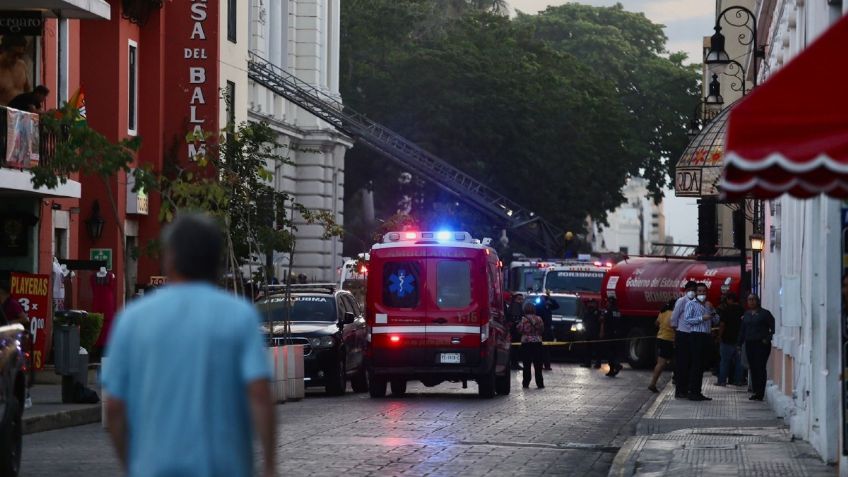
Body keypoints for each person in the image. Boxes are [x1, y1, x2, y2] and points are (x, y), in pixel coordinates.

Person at [102, 214, 276, 477]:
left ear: (170, 258)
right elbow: (260, 393)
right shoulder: (239, 315)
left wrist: (130, 466)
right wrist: (270, 466)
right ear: (215, 261)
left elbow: (114, 406)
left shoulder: (132, 318)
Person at [682, 283, 719, 401]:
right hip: (696, 335)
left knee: (702, 365)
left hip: (706, 336)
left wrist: (713, 313)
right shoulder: (691, 304)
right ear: (696, 293)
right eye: (699, 291)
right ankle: (692, 391)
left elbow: (716, 320)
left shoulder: (708, 305)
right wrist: (701, 318)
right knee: (696, 364)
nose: (702, 293)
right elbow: (687, 320)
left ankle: (698, 391)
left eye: (704, 291)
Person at [738, 294, 775, 401]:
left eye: (753, 299)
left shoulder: (765, 314)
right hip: (750, 343)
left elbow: (773, 327)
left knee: (760, 367)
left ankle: (760, 393)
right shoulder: (747, 314)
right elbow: (743, 330)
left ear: (757, 301)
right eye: (749, 300)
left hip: (761, 344)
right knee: (753, 367)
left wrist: (767, 338)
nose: (751, 302)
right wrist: (739, 344)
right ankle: (755, 391)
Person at [672, 280, 697, 398]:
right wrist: (676, 334)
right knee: (682, 364)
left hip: (693, 335)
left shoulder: (697, 303)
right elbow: (674, 318)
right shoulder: (681, 301)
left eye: (694, 290)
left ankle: (687, 388)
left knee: (690, 363)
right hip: (682, 334)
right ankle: (680, 390)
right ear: (686, 291)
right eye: (690, 290)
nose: (692, 292)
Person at [716, 292, 745, 386]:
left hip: (726, 339)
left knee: (725, 362)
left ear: (729, 300)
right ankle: (738, 381)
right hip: (739, 340)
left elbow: (722, 324)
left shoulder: (726, 310)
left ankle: (722, 381)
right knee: (739, 362)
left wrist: (719, 336)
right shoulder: (742, 310)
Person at [648, 300, 676, 393]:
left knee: (661, 363)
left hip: (660, 338)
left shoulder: (663, 312)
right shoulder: (674, 314)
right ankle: (675, 379)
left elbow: (656, 323)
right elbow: (674, 326)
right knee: (667, 362)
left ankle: (653, 383)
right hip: (669, 340)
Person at [517, 301, 545, 388]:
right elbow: (542, 330)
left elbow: (519, 329)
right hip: (537, 342)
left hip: (526, 343)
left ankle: (526, 383)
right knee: (538, 364)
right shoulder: (539, 319)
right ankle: (540, 383)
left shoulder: (523, 319)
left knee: (526, 364)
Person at [0, 35, 31, 105]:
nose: (16, 58)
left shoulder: (22, 65)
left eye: (20, 55)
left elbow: (27, 90)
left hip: (20, 113)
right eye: (14, 54)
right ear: (3, 49)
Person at [535, 290, 559, 370]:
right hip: (540, 329)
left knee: (546, 348)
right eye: (543, 298)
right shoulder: (539, 306)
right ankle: (540, 364)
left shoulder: (548, 306)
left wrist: (550, 298)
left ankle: (547, 365)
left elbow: (557, 306)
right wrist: (543, 301)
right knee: (541, 348)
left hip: (547, 329)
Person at [602, 296, 623, 377]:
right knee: (614, 351)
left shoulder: (608, 311)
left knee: (609, 352)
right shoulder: (617, 311)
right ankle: (612, 370)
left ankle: (616, 365)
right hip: (617, 334)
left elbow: (605, 321)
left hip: (609, 334)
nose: (606, 303)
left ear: (610, 302)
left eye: (607, 302)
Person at [580, 299, 603, 368]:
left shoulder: (598, 312)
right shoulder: (586, 312)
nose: (590, 304)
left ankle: (598, 364)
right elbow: (584, 321)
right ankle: (587, 363)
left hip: (596, 333)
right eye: (589, 303)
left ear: (595, 304)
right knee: (587, 349)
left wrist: (601, 332)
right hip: (588, 333)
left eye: (592, 303)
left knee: (597, 349)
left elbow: (601, 322)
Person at [507, 293, 525, 370]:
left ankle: (514, 363)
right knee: (514, 348)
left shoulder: (515, 306)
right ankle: (514, 364)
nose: (521, 301)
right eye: (519, 299)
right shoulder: (515, 306)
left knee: (515, 347)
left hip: (514, 330)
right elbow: (515, 319)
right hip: (515, 330)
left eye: (522, 299)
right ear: (515, 299)